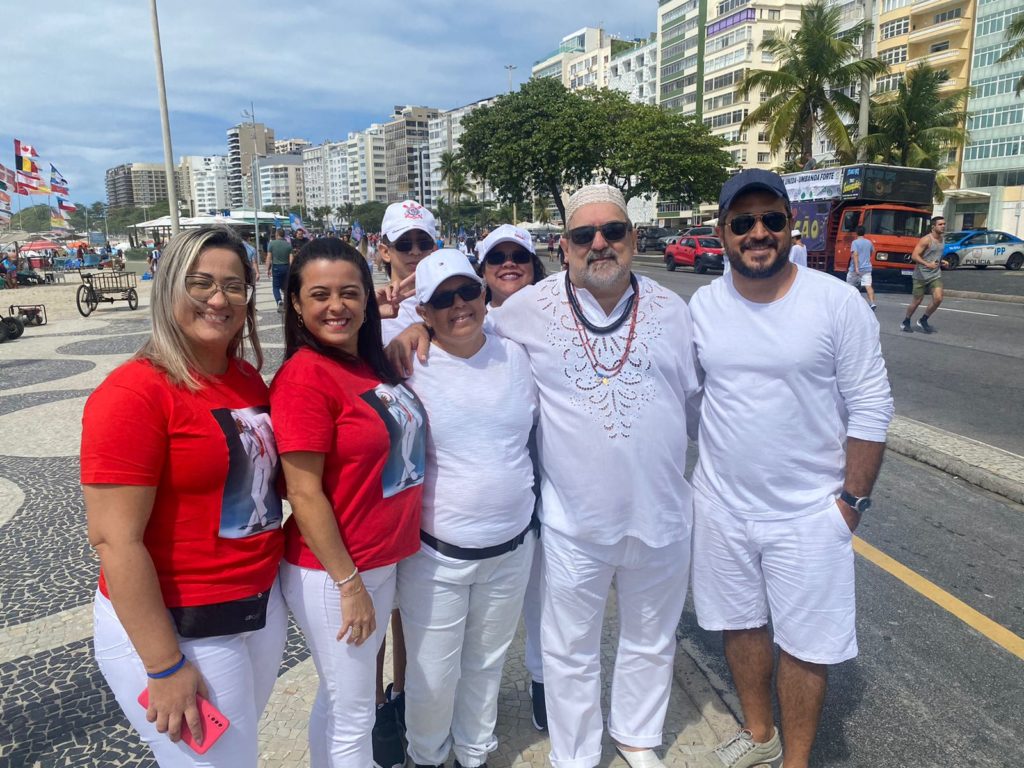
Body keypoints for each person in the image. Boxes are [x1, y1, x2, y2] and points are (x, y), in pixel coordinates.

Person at [390, 184, 701, 768]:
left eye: (612, 232)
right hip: (572, 521)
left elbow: (695, 402)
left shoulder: (674, 310)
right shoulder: (527, 310)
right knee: (568, 650)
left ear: (633, 239)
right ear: (564, 246)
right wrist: (414, 326)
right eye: (584, 236)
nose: (599, 244)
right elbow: (459, 322)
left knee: (652, 638)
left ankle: (637, 736)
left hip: (662, 513)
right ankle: (577, 753)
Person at [689, 169, 893, 768]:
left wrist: (851, 502)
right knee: (739, 625)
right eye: (743, 222)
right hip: (723, 505)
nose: (758, 233)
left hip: (810, 513)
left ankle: (795, 762)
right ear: (723, 231)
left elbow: (871, 403)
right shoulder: (703, 305)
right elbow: (687, 397)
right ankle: (759, 737)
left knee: (807, 646)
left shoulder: (835, 302)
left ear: (790, 225)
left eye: (771, 220)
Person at [81, 227, 287, 767]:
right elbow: (114, 540)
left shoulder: (245, 380)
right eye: (201, 284)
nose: (219, 299)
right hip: (183, 627)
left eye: (234, 286)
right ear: (168, 288)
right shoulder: (133, 393)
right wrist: (165, 664)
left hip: (256, 611)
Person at [269, 238, 426, 767]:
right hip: (336, 570)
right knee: (354, 712)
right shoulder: (305, 377)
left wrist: (415, 322)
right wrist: (348, 583)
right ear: (295, 303)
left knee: (340, 699)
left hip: (378, 560)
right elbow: (303, 491)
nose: (336, 305)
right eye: (320, 294)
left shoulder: (366, 363)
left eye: (349, 293)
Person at [399, 250, 538, 768]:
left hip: (511, 548)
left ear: (483, 294)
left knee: (486, 664)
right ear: (424, 312)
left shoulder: (517, 355)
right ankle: (428, 757)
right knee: (433, 673)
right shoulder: (407, 362)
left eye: (467, 292)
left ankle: (474, 753)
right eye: (443, 299)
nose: (459, 305)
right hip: (438, 556)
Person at [474, 224, 549, 731]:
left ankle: (545, 686)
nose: (508, 263)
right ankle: (477, 701)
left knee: (546, 602)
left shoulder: (559, 313)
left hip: (556, 481)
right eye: (496, 256)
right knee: (485, 615)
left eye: (518, 254)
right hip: (496, 491)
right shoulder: (466, 319)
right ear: (481, 271)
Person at [377, 200, 439, 344]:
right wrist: (365, 315)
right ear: (385, 252)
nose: (415, 251)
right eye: (404, 244)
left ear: (434, 249)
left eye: (424, 243)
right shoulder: (375, 310)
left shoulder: (454, 299)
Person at [901, 215, 945, 333]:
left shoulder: (942, 239)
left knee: (938, 298)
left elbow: (935, 255)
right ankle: (906, 321)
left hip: (935, 274)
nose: (943, 226)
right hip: (921, 275)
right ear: (933, 226)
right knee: (917, 301)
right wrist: (927, 264)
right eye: (940, 224)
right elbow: (914, 256)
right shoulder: (926, 239)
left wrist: (942, 261)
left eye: (944, 224)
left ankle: (923, 320)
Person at [848, 226, 876, 309]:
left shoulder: (855, 242)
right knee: (868, 286)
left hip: (854, 269)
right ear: (864, 233)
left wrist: (856, 267)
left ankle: (850, 303)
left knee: (850, 286)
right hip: (867, 268)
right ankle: (872, 303)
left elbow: (855, 254)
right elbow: (872, 252)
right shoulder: (869, 242)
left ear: (856, 233)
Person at [266, 229, 294, 312]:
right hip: (286, 267)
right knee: (285, 287)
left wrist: (267, 269)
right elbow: (291, 259)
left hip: (276, 267)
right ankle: (286, 303)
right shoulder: (288, 245)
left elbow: (269, 257)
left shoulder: (271, 244)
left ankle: (279, 300)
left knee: (276, 287)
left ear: (277, 234)